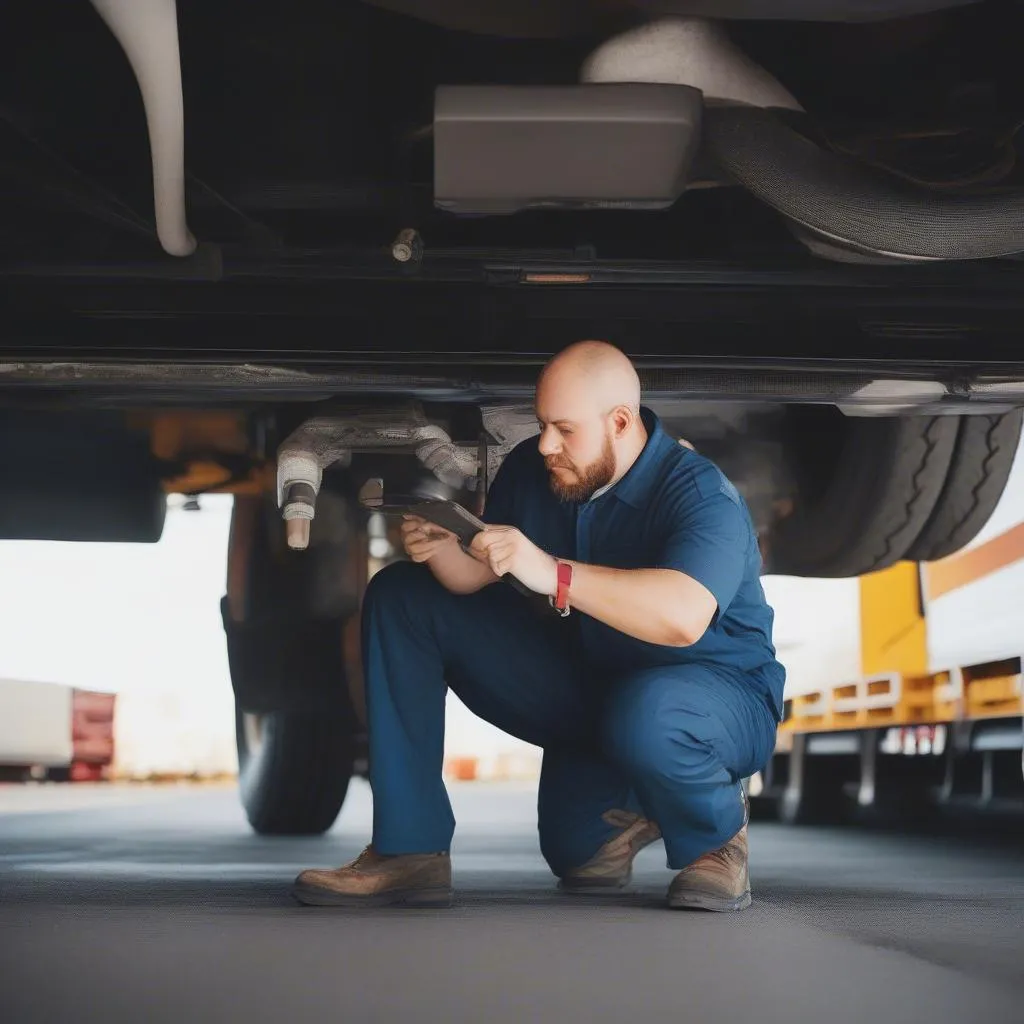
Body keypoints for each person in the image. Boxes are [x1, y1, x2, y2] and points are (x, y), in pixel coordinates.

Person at [294, 340, 785, 912]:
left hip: (715, 700)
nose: (546, 443)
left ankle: (715, 839)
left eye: (565, 429)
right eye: (543, 423)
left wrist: (553, 573)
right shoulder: (540, 470)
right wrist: (444, 548)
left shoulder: (700, 493)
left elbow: (681, 618)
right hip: (598, 686)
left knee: (652, 715)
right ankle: (410, 851)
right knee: (403, 597)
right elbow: (475, 577)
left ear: (620, 422)